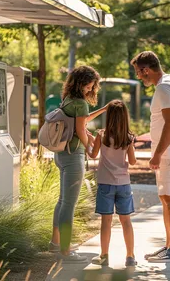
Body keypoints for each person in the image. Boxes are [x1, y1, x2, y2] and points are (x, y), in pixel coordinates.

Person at [130, 51, 170, 262]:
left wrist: (158, 154)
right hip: (169, 153)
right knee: (165, 199)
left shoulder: (163, 87)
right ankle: (169, 246)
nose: (138, 76)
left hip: (168, 154)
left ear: (146, 70)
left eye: (138, 72)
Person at [49, 66, 107, 263]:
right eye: (90, 84)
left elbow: (81, 121)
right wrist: (90, 149)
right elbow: (82, 130)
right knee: (69, 203)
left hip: (61, 155)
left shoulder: (69, 100)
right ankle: (66, 251)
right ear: (82, 82)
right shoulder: (80, 102)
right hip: (74, 156)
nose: (92, 88)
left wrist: (103, 109)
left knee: (62, 201)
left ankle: (56, 243)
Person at [87, 99, 137, 267]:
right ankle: (130, 256)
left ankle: (104, 255)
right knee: (126, 220)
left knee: (106, 221)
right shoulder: (128, 138)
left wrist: (88, 142)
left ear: (109, 117)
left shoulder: (101, 135)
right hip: (123, 184)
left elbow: (93, 155)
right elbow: (133, 161)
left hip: (105, 184)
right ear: (125, 117)